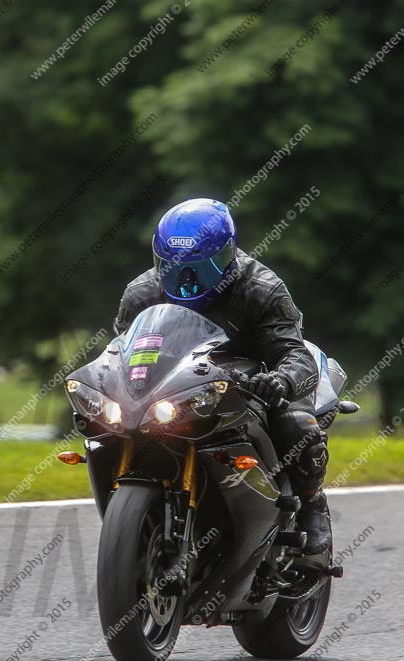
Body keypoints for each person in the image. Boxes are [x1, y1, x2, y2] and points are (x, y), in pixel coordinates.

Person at [113, 198, 331, 554]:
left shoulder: (261, 288)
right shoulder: (141, 293)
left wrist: (280, 381)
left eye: (198, 269)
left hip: (250, 382)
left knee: (295, 420)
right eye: (172, 268)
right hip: (175, 382)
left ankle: (311, 504)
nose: (185, 281)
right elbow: (120, 350)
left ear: (227, 256)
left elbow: (295, 353)